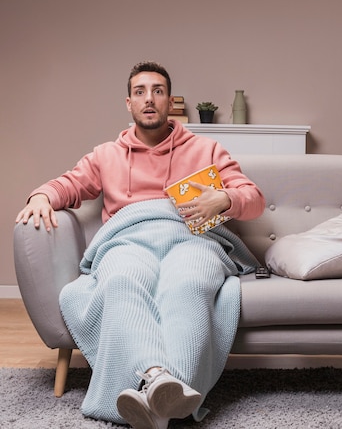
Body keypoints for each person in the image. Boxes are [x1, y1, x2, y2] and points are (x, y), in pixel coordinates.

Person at [15, 61, 266, 429]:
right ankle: (159, 381)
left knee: (189, 284)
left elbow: (254, 199)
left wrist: (224, 199)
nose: (149, 99)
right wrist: (40, 196)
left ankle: (155, 398)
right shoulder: (106, 155)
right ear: (129, 104)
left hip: (192, 239)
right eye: (140, 92)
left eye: (158, 91)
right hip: (128, 239)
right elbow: (68, 185)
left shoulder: (207, 149)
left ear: (171, 103)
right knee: (120, 282)